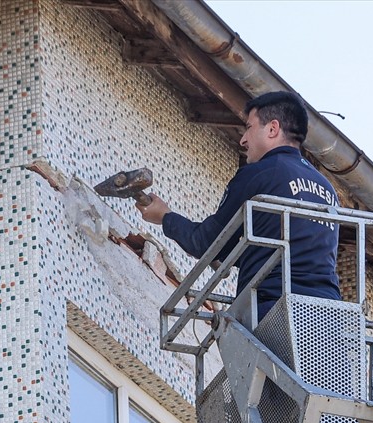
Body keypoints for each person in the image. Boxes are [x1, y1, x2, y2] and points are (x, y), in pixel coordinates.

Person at [139, 91, 341, 320]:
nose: (243, 139)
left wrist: (165, 217)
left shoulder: (261, 173)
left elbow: (205, 243)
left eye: (249, 127)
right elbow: (285, 248)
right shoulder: (327, 190)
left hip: (273, 309)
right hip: (330, 314)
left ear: (272, 129)